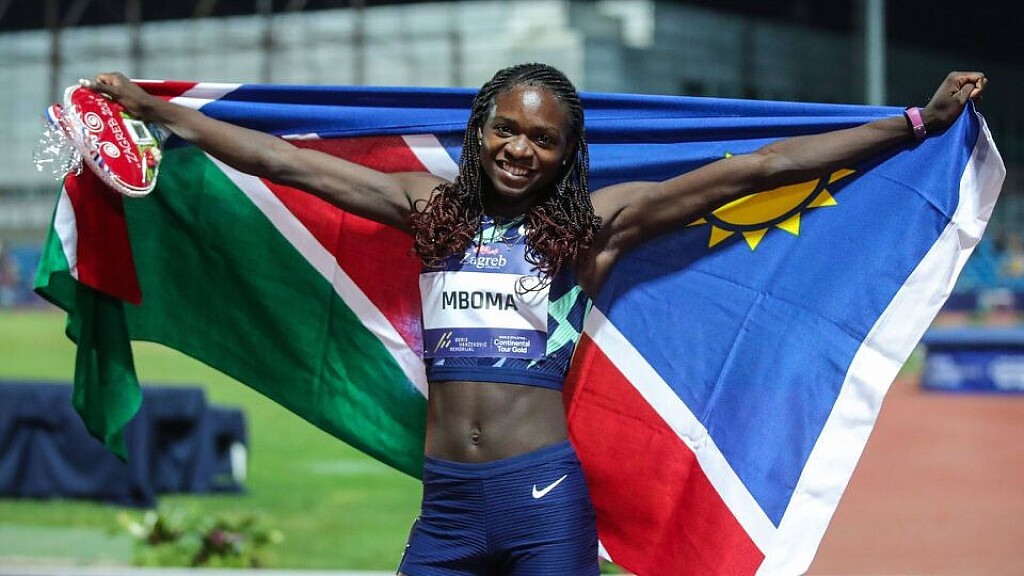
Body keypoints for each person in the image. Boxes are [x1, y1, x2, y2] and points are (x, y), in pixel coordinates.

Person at [86, 64, 986, 575]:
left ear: (566, 153)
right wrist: (159, 112)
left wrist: (913, 122)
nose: (521, 148)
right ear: (481, 130)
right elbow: (287, 164)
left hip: (543, 504)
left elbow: (760, 169)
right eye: (507, 130)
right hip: (446, 506)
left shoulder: (595, 228)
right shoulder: (426, 210)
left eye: (543, 138)